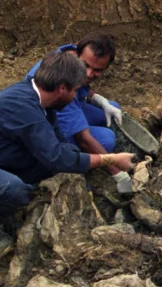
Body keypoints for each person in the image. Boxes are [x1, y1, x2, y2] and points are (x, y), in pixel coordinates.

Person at [0, 51, 136, 250]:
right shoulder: (24, 107)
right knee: (13, 188)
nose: (74, 98)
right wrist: (111, 159)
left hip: (3, 161)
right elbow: (58, 159)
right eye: (75, 91)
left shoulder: (44, 104)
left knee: (69, 152)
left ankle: (18, 203)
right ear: (62, 88)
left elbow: (62, 148)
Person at [26, 33, 133, 195]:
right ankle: (76, 166)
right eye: (86, 66)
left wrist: (98, 99)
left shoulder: (71, 56)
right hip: (43, 123)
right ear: (78, 54)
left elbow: (83, 85)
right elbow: (83, 139)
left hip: (67, 107)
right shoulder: (62, 84)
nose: (89, 74)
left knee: (112, 107)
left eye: (98, 70)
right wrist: (118, 173)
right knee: (106, 139)